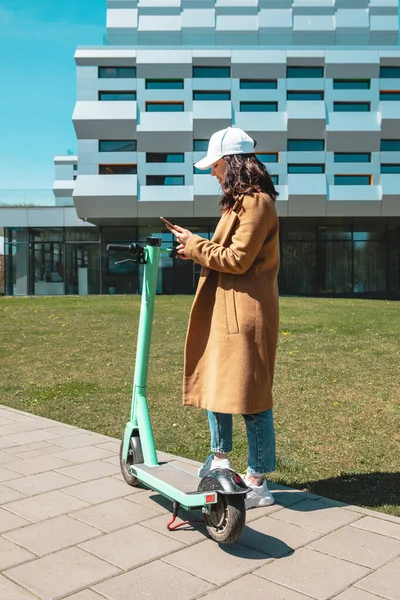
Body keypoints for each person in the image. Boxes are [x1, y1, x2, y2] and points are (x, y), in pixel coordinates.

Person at [165, 127, 280, 509]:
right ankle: (220, 460)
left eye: (215, 166)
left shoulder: (257, 203)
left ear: (230, 164)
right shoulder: (239, 204)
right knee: (218, 386)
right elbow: (225, 253)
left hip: (245, 313)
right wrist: (193, 247)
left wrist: (196, 246)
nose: (212, 173)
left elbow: (238, 260)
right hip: (226, 309)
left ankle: (257, 482)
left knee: (252, 398)